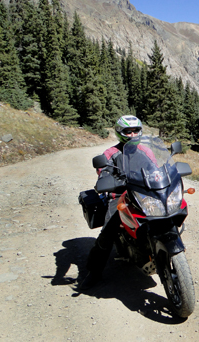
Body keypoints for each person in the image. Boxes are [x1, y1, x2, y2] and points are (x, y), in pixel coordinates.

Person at [79, 115, 154, 290]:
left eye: (136, 130)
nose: (133, 134)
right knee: (108, 232)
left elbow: (156, 169)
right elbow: (103, 170)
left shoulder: (146, 151)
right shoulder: (111, 153)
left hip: (142, 193)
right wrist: (107, 179)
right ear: (120, 132)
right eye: (128, 131)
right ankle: (94, 272)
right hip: (119, 196)